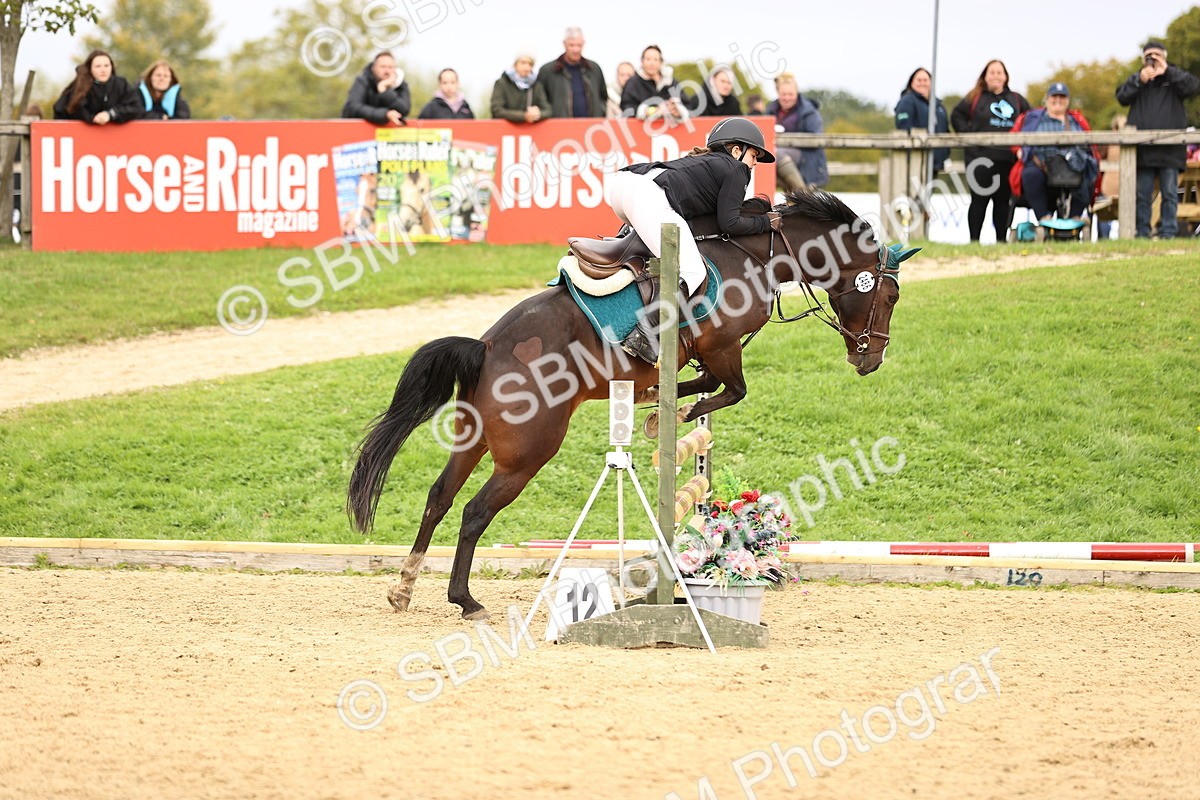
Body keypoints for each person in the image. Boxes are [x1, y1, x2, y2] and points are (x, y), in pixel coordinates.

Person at [608, 118, 779, 363]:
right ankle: (642, 332)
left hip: (623, 185)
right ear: (736, 150)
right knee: (693, 271)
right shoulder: (736, 169)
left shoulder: (711, 163)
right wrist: (766, 223)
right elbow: (729, 223)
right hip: (646, 196)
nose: (754, 164)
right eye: (754, 155)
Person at [1116, 40, 1200, 239]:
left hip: (1170, 150)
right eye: (1148, 56)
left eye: (1157, 55)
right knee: (1142, 195)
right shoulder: (1138, 80)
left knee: (1170, 194)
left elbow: (1193, 86)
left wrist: (1167, 71)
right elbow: (1121, 97)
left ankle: (1168, 233)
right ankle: (1142, 233)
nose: (1153, 59)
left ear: (1165, 56)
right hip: (1145, 150)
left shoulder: (1175, 78)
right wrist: (1139, 79)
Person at [951, 60, 1030, 242]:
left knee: (1003, 203)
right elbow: (956, 115)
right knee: (979, 202)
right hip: (979, 160)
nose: (996, 76)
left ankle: (1001, 242)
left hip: (1007, 161)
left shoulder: (1016, 99)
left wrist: (1021, 147)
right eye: (992, 72)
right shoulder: (975, 97)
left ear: (1005, 77)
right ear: (985, 76)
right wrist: (969, 138)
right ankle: (974, 241)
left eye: (999, 72)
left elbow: (1031, 119)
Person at [1010, 83, 1101, 223]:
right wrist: (1018, 150)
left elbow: (1090, 145)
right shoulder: (1032, 117)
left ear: (1067, 100)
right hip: (1041, 164)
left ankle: (1074, 218)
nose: (1058, 100)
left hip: (1072, 165)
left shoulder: (1076, 120)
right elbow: (1014, 136)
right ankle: (1043, 217)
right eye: (1054, 96)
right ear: (1047, 99)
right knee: (1030, 174)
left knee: (1090, 168)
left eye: (1062, 97)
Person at [766, 72, 827, 193]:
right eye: (784, 94)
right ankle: (798, 200)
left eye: (790, 94)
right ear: (778, 93)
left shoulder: (809, 111)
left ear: (796, 93)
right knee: (768, 159)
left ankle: (803, 196)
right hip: (779, 158)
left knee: (776, 154)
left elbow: (815, 137)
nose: (787, 98)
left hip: (806, 156)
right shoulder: (771, 110)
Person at [52, 49, 141, 125]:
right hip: (82, 136)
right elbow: (62, 109)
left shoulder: (121, 84)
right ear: (90, 68)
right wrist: (92, 118)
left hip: (116, 136)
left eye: (106, 66)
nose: (103, 70)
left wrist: (110, 114)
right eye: (98, 66)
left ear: (111, 67)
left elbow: (135, 107)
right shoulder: (79, 86)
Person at [535, 26, 606, 118]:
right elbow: (539, 99)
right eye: (572, 45)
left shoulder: (594, 69)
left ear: (584, 44)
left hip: (591, 128)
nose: (575, 50)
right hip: (560, 128)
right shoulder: (548, 70)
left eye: (579, 45)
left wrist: (601, 112)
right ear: (564, 44)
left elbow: (603, 97)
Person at [620, 45, 696, 121]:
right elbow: (626, 108)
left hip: (670, 130)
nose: (651, 63)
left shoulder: (671, 82)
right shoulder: (633, 83)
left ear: (661, 62)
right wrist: (650, 111)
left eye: (655, 59)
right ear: (642, 61)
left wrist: (678, 112)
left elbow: (688, 106)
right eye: (648, 59)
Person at [893, 67, 948, 171]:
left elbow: (945, 129)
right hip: (915, 161)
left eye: (925, 80)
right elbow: (903, 126)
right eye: (919, 80)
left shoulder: (938, 105)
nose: (922, 83)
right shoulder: (906, 101)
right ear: (911, 82)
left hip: (935, 163)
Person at [342, 51, 411, 125]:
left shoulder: (400, 85)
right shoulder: (363, 81)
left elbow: (404, 110)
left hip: (387, 134)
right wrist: (384, 114)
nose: (387, 71)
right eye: (383, 67)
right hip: (357, 130)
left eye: (390, 67)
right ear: (373, 68)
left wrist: (385, 91)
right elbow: (354, 107)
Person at [491, 53, 550, 123]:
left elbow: (548, 110)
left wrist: (538, 114)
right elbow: (497, 110)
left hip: (530, 131)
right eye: (523, 63)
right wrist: (523, 116)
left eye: (530, 64)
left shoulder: (536, 86)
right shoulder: (502, 83)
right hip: (505, 131)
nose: (527, 67)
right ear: (515, 64)